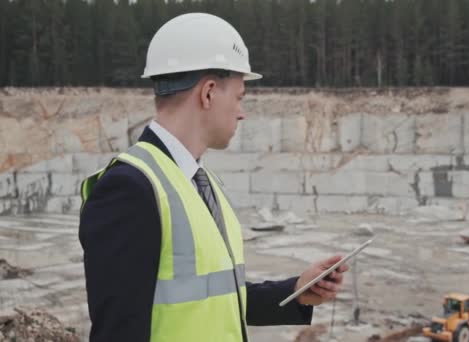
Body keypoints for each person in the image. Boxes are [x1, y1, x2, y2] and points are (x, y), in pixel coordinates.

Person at [79, 13, 349, 342]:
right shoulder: (131, 189)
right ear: (208, 93)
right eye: (238, 97)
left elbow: (216, 297)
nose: (241, 111)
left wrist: (296, 291)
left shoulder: (197, 182)